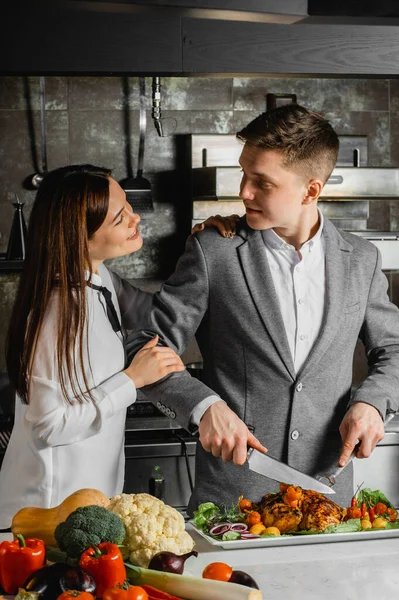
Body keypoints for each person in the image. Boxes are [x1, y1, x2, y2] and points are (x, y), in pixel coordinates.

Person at [123, 104, 399, 512]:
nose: (244, 192)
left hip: (328, 501)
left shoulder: (361, 259)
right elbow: (144, 346)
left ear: (311, 190)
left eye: (262, 183)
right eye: (243, 174)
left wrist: (372, 403)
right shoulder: (213, 251)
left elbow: (394, 350)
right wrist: (203, 407)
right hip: (233, 505)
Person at [0, 164, 235, 528]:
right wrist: (132, 380)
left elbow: (161, 312)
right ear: (81, 235)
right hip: (45, 516)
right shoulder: (56, 312)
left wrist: (203, 246)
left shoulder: (100, 278)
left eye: (128, 206)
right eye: (120, 217)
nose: (135, 218)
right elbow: (48, 427)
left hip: (87, 508)